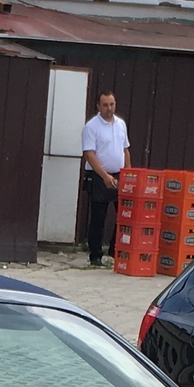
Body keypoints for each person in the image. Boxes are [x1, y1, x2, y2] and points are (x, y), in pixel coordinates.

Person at [78, 90, 130, 265]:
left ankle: (116, 250)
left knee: (124, 215)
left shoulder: (121, 124)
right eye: (106, 105)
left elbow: (125, 149)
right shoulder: (91, 127)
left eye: (112, 104)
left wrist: (129, 174)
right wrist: (105, 176)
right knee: (99, 217)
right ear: (98, 106)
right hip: (99, 176)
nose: (109, 108)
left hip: (119, 175)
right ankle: (95, 256)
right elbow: (89, 154)